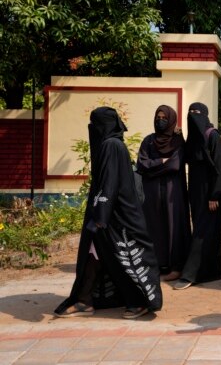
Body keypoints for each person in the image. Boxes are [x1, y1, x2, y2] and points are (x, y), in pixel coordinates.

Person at [54, 107, 162, 319]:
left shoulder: (111, 146)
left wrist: (101, 216)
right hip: (109, 215)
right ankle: (84, 300)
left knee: (123, 258)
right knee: (95, 254)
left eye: (95, 124)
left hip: (118, 217)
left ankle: (138, 302)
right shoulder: (113, 144)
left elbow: (110, 183)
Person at [173, 103, 221, 290]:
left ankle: (191, 274)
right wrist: (178, 137)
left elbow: (220, 169)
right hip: (196, 194)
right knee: (206, 233)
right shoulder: (194, 138)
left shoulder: (213, 136)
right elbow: (188, 157)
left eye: (196, 113)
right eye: (190, 112)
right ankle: (215, 271)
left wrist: (214, 195)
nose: (192, 115)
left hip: (212, 195)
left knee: (202, 234)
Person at [136, 105, 191, 282]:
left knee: (173, 226)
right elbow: (141, 164)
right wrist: (162, 162)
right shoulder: (148, 140)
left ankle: (176, 267)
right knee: (154, 227)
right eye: (158, 117)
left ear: (171, 120)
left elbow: (175, 165)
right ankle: (158, 265)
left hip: (172, 192)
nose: (160, 120)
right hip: (151, 193)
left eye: (164, 118)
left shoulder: (177, 142)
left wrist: (154, 166)